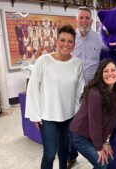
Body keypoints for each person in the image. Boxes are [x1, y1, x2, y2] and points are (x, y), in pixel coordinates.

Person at [25, 24, 85, 169]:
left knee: (64, 150)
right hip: (47, 117)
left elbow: (80, 91)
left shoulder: (77, 64)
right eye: (62, 40)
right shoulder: (43, 61)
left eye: (70, 41)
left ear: (74, 44)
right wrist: (35, 115)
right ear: (56, 42)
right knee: (50, 154)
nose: (66, 44)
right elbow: (33, 88)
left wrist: (77, 114)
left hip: (68, 116)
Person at [67, 7, 104, 169]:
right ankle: (71, 155)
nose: (84, 21)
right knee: (72, 122)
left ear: (92, 20)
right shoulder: (69, 39)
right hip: (72, 89)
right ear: (76, 19)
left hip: (93, 90)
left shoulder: (99, 39)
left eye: (87, 18)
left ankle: (97, 152)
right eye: (81, 17)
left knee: (93, 121)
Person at [69, 58, 116, 169]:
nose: (110, 74)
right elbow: (95, 124)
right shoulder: (95, 94)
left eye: (113, 70)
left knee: (111, 160)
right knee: (102, 164)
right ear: (100, 74)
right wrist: (99, 148)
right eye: (106, 71)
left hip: (94, 134)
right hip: (80, 135)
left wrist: (106, 142)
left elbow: (113, 119)